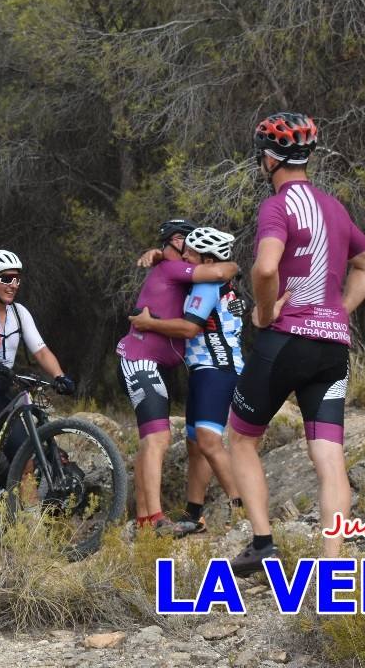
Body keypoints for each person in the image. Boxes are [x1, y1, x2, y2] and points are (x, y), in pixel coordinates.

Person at [228, 112, 365, 575]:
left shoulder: (277, 206)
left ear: (269, 159)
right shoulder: (334, 208)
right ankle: (333, 563)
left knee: (239, 438)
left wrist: (265, 310)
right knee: (329, 455)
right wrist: (340, 311)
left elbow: (264, 268)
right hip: (333, 347)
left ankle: (263, 543)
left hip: (286, 341)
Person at [117, 220, 239, 536]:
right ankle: (184, 514)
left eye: (193, 253)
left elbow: (189, 327)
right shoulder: (179, 272)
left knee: (202, 441)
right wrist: (159, 254)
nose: (186, 258)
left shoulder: (204, 281)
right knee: (192, 442)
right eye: (185, 249)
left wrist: (150, 322)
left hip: (216, 367)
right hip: (187, 367)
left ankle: (243, 508)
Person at [0, 249, 75, 489]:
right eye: (6, 278)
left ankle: (24, 521)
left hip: (2, 390)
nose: (13, 284)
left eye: (17, 279)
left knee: (25, 456)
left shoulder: (20, 313)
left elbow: (40, 350)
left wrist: (60, 376)